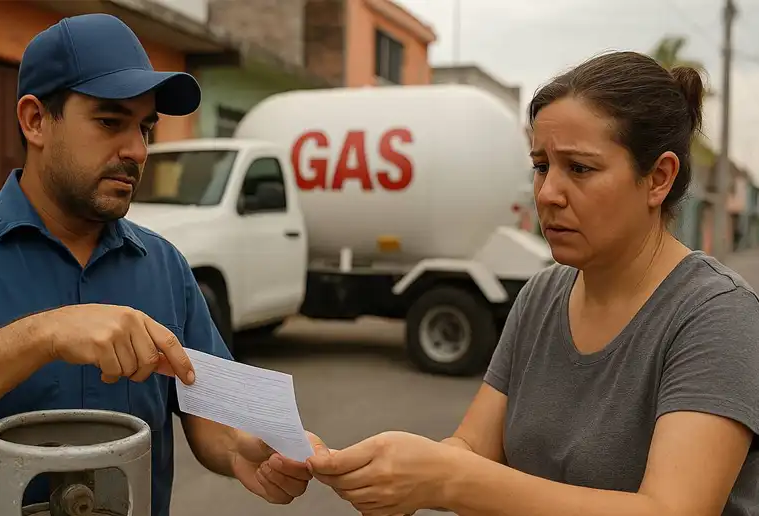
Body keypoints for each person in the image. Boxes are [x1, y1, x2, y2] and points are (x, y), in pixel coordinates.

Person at [0, 13, 321, 516]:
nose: (137, 150)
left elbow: (211, 410)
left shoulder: (165, 267)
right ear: (35, 120)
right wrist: (41, 336)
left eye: (145, 128)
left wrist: (247, 449)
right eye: (109, 122)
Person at [306, 50, 759, 516]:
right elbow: (471, 449)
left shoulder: (717, 316)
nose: (547, 194)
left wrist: (446, 479)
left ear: (658, 178)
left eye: (579, 168)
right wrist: (388, 470)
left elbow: (672, 509)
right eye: (542, 165)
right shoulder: (542, 296)